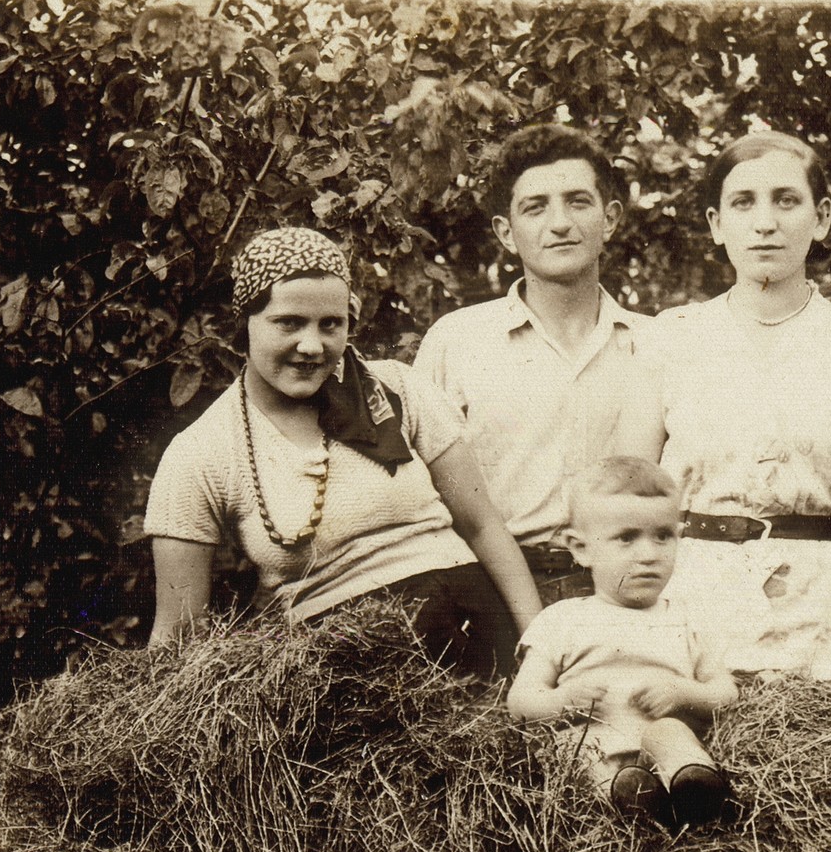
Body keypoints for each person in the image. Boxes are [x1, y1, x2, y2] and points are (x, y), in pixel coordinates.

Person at [144, 226, 542, 675]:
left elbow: (483, 525)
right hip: (345, 670)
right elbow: (178, 633)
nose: (312, 346)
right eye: (288, 323)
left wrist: (540, 646)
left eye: (330, 324)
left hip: (473, 626)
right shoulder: (201, 453)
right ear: (243, 324)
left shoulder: (396, 389)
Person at [648, 130, 831, 679]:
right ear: (716, 224)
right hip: (694, 598)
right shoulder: (672, 339)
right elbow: (634, 493)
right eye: (743, 203)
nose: (765, 222)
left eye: (787, 200)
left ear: (822, 216)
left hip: (825, 607)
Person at [414, 124, 663, 605]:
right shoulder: (457, 342)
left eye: (578, 201)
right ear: (506, 232)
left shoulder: (656, 344)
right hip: (493, 593)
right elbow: (424, 496)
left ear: (609, 218)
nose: (560, 223)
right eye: (535, 207)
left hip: (626, 591)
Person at [507, 457, 737, 830]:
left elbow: (725, 691)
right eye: (627, 538)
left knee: (669, 734)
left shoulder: (687, 617)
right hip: (594, 744)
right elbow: (520, 702)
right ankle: (631, 803)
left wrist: (685, 692)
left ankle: (695, 791)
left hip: (662, 742)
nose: (649, 554)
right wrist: (563, 702)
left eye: (663, 535)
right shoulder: (562, 618)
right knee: (584, 754)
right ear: (580, 548)